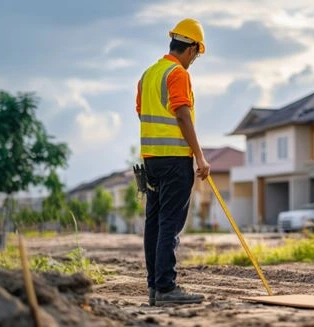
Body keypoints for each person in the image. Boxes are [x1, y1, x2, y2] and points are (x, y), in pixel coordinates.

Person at [135, 18, 210, 306]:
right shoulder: (177, 73)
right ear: (190, 49)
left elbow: (142, 113)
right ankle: (166, 287)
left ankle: (155, 287)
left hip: (152, 161)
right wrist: (200, 157)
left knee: (153, 223)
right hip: (175, 161)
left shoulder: (148, 75)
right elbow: (181, 114)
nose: (195, 60)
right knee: (169, 224)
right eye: (197, 54)